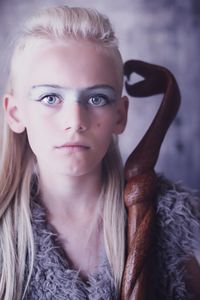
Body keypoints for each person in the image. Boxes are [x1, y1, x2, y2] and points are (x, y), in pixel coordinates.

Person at [0, 5, 199, 300]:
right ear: (15, 114)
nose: (75, 122)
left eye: (96, 98)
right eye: (50, 97)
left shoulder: (170, 223)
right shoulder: (5, 237)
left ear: (120, 115)